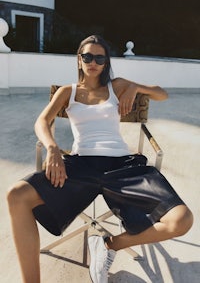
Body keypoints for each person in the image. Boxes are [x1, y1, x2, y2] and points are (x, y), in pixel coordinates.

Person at [7, 35, 193, 283]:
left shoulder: (117, 85)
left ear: (106, 62)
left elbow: (162, 94)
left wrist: (135, 87)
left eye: (99, 57)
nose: (93, 62)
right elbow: (42, 121)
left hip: (122, 167)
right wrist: (52, 148)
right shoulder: (68, 91)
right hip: (81, 165)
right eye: (87, 56)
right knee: (16, 195)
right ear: (79, 59)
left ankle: (108, 245)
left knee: (182, 220)